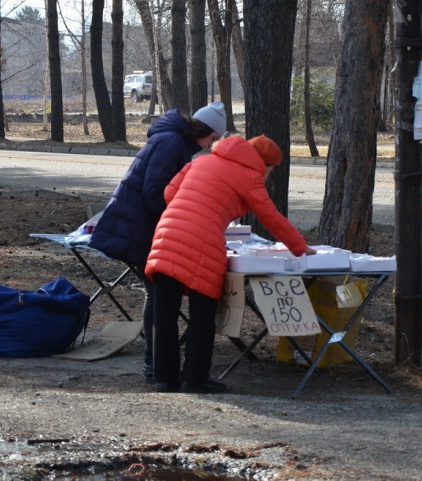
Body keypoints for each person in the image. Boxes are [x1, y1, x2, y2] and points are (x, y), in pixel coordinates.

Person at [145, 135, 317, 393]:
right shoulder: (249, 176)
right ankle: (195, 379)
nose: (268, 174)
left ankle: (164, 379)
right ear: (266, 164)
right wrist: (301, 248)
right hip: (202, 240)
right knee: (202, 314)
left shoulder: (202, 160)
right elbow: (271, 217)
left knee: (165, 314)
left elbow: (170, 192)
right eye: (271, 169)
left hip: (165, 236)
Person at [88, 101, 226, 384]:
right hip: (140, 227)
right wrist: (179, 220)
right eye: (213, 139)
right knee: (158, 296)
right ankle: (155, 365)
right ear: (205, 131)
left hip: (142, 225)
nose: (210, 145)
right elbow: (154, 192)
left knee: (158, 296)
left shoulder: (172, 140)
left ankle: (157, 366)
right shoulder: (171, 142)